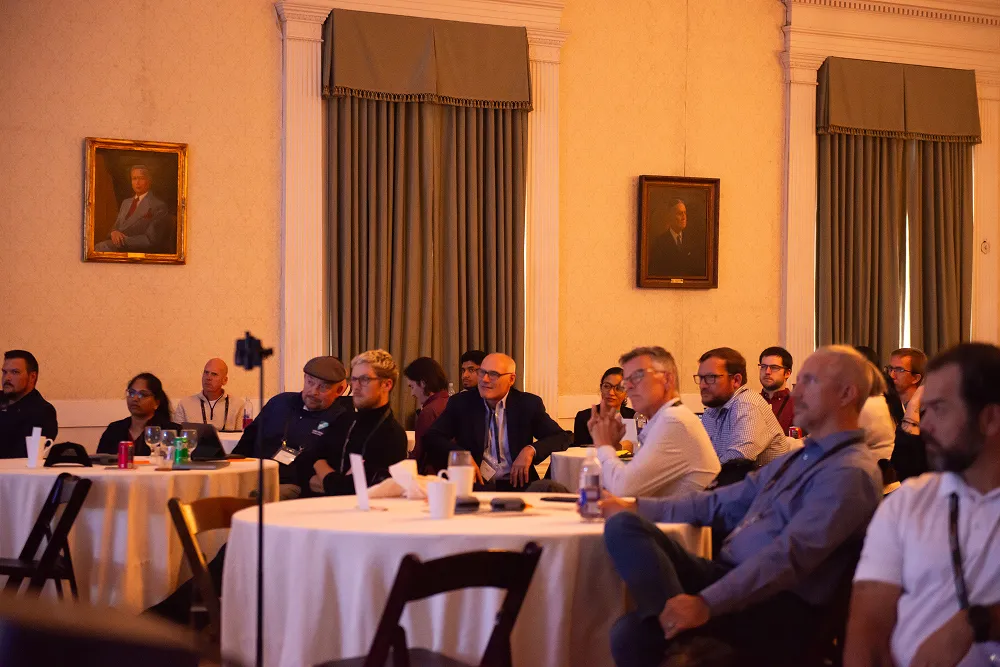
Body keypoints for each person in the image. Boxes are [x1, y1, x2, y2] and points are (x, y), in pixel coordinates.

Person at [598, 346, 882, 666]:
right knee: (625, 525)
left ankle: (678, 637)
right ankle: (678, 636)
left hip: (774, 608)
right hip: (729, 572)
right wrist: (635, 507)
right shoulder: (801, 456)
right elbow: (720, 501)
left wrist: (705, 604)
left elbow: (786, 559)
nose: (797, 392)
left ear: (846, 393)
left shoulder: (849, 473)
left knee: (632, 633)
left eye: (809, 381)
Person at [845, 342, 1000, 667]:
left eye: (940, 409)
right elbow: (868, 626)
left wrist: (974, 624)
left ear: (990, 418)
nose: (924, 426)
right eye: (923, 410)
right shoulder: (907, 502)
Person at [424, 352, 570, 490]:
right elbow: (432, 437)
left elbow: (562, 436)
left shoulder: (527, 404)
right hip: (475, 485)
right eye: (482, 372)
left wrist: (530, 450)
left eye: (493, 374)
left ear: (511, 379)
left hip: (517, 485)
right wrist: (462, 456)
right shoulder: (461, 403)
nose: (484, 379)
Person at [587, 347, 719, 498]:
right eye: (627, 380)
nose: (628, 386)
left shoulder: (674, 421)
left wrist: (604, 445)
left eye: (637, 376)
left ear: (667, 380)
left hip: (685, 521)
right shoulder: (663, 419)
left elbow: (623, 488)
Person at [233, 356, 352, 499]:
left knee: (253, 498)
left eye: (324, 387)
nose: (313, 391)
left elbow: (330, 472)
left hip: (294, 486)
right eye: (310, 382)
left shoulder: (341, 420)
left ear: (339, 390)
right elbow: (247, 441)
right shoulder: (280, 402)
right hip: (254, 476)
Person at [307, 349, 408, 495]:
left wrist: (321, 471)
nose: (356, 386)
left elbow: (353, 491)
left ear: (386, 385)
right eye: (354, 379)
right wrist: (329, 474)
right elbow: (310, 457)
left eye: (365, 379)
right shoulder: (345, 420)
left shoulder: (392, 436)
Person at [697, 347, 788, 484]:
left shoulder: (747, 404)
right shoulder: (712, 411)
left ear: (736, 380)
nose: (703, 385)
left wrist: (699, 478)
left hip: (770, 495)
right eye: (701, 378)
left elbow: (737, 460)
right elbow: (702, 456)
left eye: (711, 377)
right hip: (737, 492)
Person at [97, 373, 180, 456]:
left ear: (156, 403)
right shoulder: (114, 429)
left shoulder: (171, 431)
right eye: (132, 393)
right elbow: (99, 463)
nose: (135, 398)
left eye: (142, 394)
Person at [94, 165, 171, 253]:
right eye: (134, 178)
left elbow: (151, 239)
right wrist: (113, 232)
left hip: (136, 250)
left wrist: (122, 240)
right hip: (118, 247)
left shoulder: (158, 205)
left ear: (149, 180)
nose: (137, 182)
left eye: (141, 178)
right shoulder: (126, 203)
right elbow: (117, 226)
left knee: (102, 247)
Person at [0, 350, 58, 459]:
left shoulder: (42, 411)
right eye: (4, 372)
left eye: (15, 372)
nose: (7, 378)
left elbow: (22, 456)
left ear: (32, 377)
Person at [172, 358, 248, 431]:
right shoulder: (185, 404)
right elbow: (177, 437)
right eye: (206, 372)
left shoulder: (238, 405)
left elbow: (242, 437)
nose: (208, 378)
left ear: (224, 380)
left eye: (214, 374)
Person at [403, 356, 450, 473]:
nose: (412, 394)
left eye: (412, 387)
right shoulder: (450, 402)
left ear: (423, 383)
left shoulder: (429, 411)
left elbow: (419, 455)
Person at [573, 367, 636, 447]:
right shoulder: (585, 417)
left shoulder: (634, 416)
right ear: (601, 388)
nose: (611, 392)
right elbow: (580, 452)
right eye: (606, 386)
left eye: (619, 388)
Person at [648, 198, 706, 277]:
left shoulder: (693, 240)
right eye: (679, 213)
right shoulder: (659, 243)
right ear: (670, 217)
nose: (684, 217)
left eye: (685, 213)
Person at [857, 361, 896, 462]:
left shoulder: (867, 405)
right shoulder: (888, 398)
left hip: (872, 468)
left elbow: (837, 440)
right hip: (887, 465)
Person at [887, 347, 926, 435]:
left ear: (915, 378)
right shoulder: (884, 404)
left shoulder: (926, 411)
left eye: (899, 370)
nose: (891, 375)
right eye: (890, 369)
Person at [758, 346, 795, 435]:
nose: (767, 371)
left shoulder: (799, 406)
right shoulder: (750, 403)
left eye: (774, 367)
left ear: (787, 373)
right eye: (763, 366)